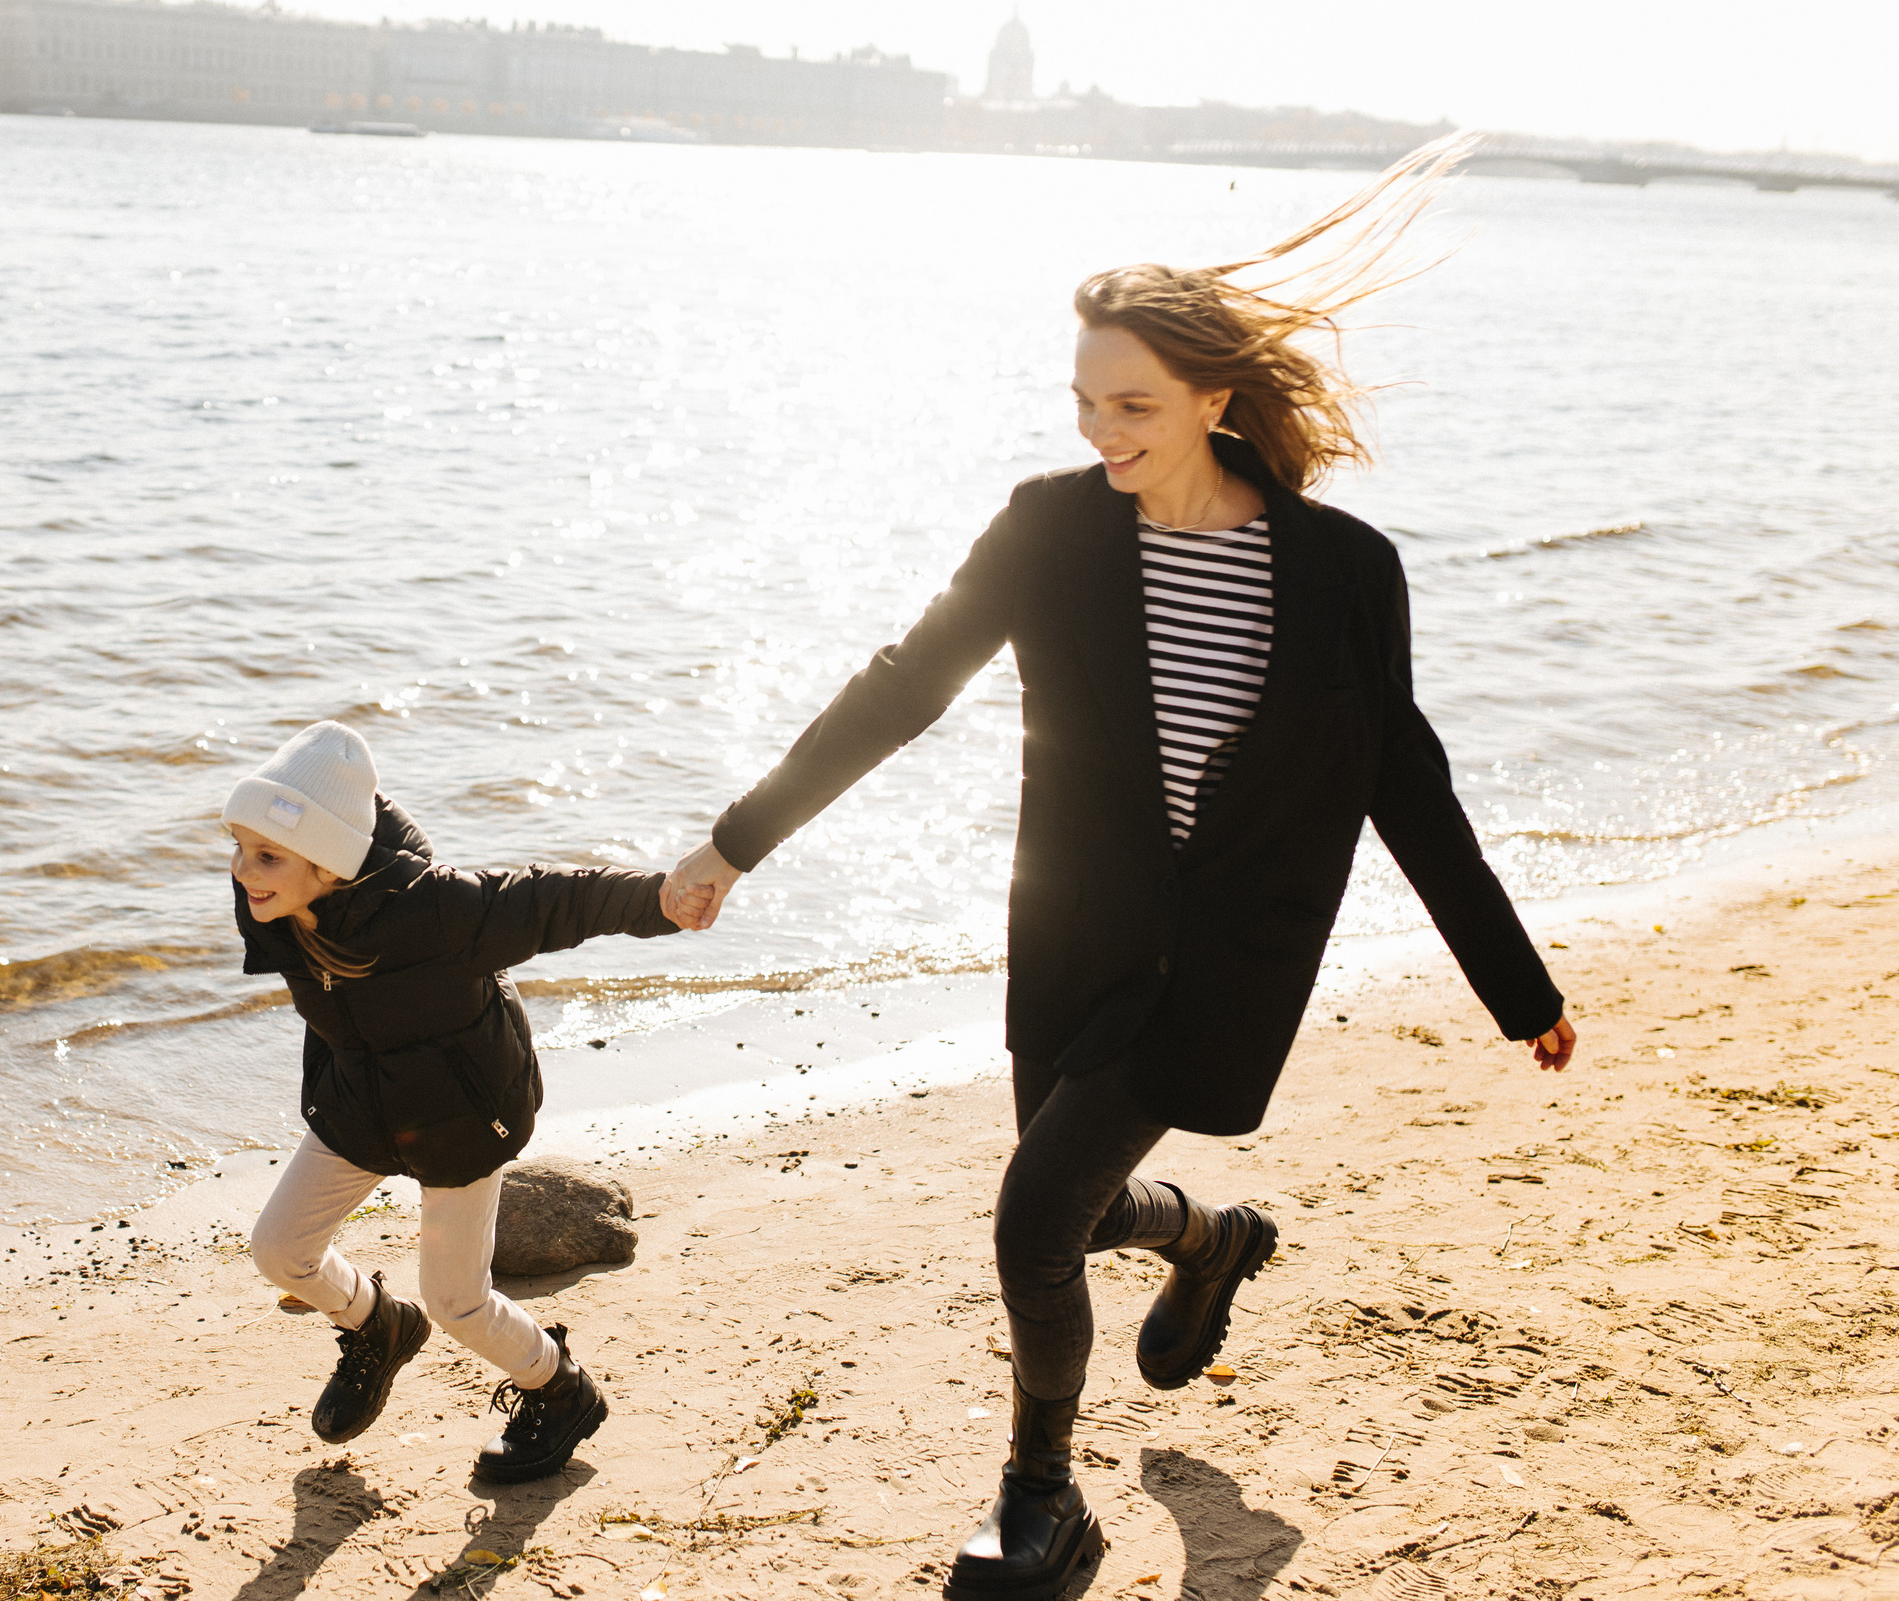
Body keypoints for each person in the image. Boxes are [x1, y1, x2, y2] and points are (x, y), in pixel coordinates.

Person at [660, 137, 1579, 1597]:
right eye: (1085, 400)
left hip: (1226, 966)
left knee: (1031, 1215)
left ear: (1218, 399)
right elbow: (905, 685)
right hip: (1074, 939)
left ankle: (1042, 1496)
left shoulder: (1345, 570)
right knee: (1070, 1205)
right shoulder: (1049, 527)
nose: (1104, 430)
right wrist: (733, 841)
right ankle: (1212, 1239)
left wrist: (1516, 984)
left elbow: (1405, 778)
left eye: (1135, 404)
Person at [228, 720, 700, 1482]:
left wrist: (663, 900)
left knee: (457, 1302)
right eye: (240, 846)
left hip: (458, 1117)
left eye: (268, 854)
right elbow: (347, 809)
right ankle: (378, 1325)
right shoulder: (277, 890)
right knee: (279, 1251)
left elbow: (554, 899)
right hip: (360, 1103)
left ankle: (561, 1388)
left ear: (329, 860)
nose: (245, 872)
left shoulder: (437, 911)